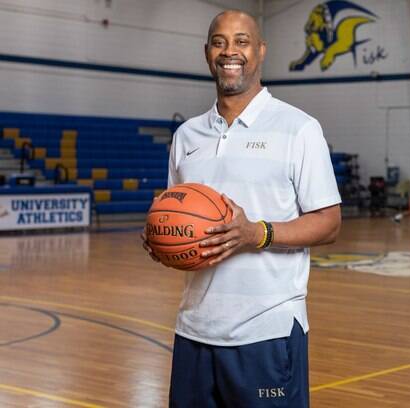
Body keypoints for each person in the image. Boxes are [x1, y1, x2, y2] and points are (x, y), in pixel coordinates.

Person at [142, 10, 341, 408]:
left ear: (261, 51)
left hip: (266, 332)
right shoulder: (187, 136)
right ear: (207, 53)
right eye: (219, 42)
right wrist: (163, 239)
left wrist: (258, 233)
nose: (229, 51)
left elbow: (329, 222)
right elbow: (178, 217)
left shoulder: (298, 128)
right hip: (194, 330)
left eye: (241, 41)